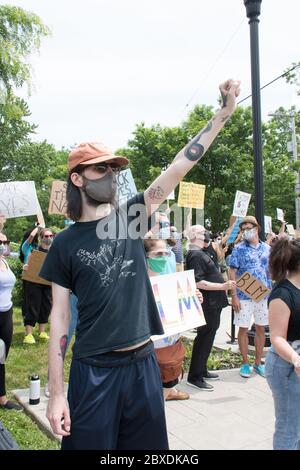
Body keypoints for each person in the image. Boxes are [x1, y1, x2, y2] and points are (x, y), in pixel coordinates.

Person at [40, 79, 240, 450]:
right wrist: (56, 393)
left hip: (143, 364)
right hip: (94, 371)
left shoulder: (130, 216)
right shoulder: (64, 244)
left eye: (113, 168)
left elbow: (181, 164)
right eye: (101, 169)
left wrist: (223, 114)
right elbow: (60, 319)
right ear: (77, 178)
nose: (111, 175)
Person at [185, 225, 236, 391]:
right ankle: (195, 376)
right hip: (208, 304)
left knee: (209, 337)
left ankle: (202, 369)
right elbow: (197, 281)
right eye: (202, 232)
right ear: (194, 236)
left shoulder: (201, 252)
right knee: (204, 337)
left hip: (214, 303)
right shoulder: (195, 254)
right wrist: (223, 287)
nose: (206, 233)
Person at [144, 237, 189, 401]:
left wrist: (192, 297)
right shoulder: (138, 284)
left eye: (166, 253)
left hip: (170, 347)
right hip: (148, 350)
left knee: (167, 384)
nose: (163, 257)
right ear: (145, 256)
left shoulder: (169, 281)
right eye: (158, 254)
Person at [265, 238, 300, 450]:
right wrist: (296, 359)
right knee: (289, 428)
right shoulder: (282, 294)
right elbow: (277, 337)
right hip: (287, 368)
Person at [229, 216, 272, 379]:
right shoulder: (239, 249)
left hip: (263, 296)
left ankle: (258, 362)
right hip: (243, 295)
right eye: (243, 229)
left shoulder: (267, 248)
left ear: (257, 228)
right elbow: (232, 271)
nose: (246, 231)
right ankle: (245, 363)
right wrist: (234, 296)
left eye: (249, 228)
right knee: (244, 329)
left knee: (261, 328)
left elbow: (270, 272)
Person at [0, 231, 23, 411]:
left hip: (6, 313)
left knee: (1, 356)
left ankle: (1, 397)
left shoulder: (5, 261)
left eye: (5, 241)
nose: (3, 244)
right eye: (0, 241)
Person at [22, 228, 53, 344]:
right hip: (33, 283)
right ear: (41, 238)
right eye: (46, 236)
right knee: (32, 306)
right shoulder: (34, 250)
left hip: (48, 283)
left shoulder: (54, 252)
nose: (49, 238)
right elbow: (28, 264)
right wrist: (26, 267)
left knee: (46, 307)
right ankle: (28, 334)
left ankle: (42, 332)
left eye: (51, 236)